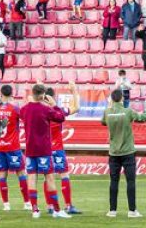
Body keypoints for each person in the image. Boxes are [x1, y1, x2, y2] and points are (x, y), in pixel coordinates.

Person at [101, 88, 146, 218]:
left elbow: (103, 122)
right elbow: (143, 118)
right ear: (122, 99)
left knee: (113, 181)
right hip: (128, 152)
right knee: (130, 181)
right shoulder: (128, 112)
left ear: (112, 99)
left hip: (113, 152)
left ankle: (112, 210)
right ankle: (132, 211)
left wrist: (109, 107)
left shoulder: (107, 112)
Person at [21, 83, 70, 219]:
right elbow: (61, 117)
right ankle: (57, 210)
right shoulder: (46, 109)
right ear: (43, 95)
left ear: (32, 93)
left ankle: (35, 210)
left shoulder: (24, 109)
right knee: (49, 178)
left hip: (30, 149)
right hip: (44, 149)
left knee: (31, 177)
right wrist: (54, 105)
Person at [46, 84, 83, 215]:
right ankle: (68, 205)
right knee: (64, 175)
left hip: (44, 150)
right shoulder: (58, 111)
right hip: (57, 148)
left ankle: (50, 205)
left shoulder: (38, 112)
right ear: (53, 98)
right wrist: (73, 91)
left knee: (48, 176)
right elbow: (76, 108)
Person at [0, 84, 31, 212]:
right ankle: (27, 203)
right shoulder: (15, 109)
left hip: (0, 147)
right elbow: (26, 119)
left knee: (2, 176)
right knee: (21, 173)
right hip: (13, 146)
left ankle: (6, 205)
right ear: (12, 93)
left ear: (1, 94)